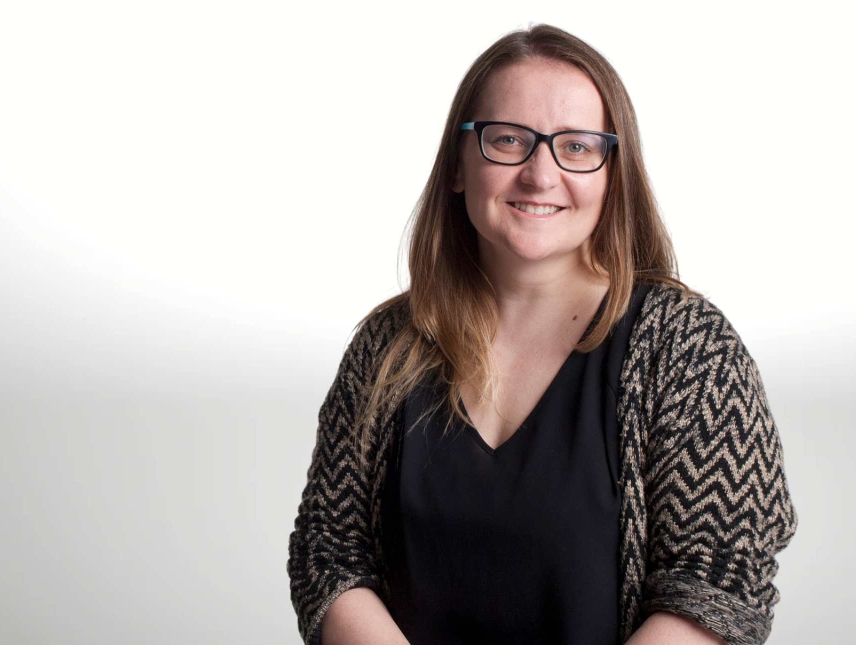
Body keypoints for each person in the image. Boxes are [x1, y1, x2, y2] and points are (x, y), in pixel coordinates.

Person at [288, 23, 798, 645]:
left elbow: (719, 584)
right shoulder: (387, 345)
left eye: (577, 147)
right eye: (508, 140)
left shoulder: (687, 347)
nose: (540, 173)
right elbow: (330, 555)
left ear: (613, 174)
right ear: (458, 164)